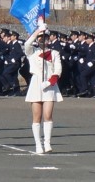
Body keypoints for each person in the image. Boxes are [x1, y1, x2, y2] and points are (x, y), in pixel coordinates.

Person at [24, 26, 63, 154]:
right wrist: (37, 31)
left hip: (49, 84)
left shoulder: (54, 53)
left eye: (45, 38)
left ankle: (47, 143)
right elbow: (27, 43)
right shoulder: (32, 52)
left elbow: (58, 71)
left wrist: (49, 82)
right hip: (36, 83)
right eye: (41, 38)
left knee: (48, 115)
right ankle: (38, 144)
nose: (43, 40)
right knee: (37, 116)